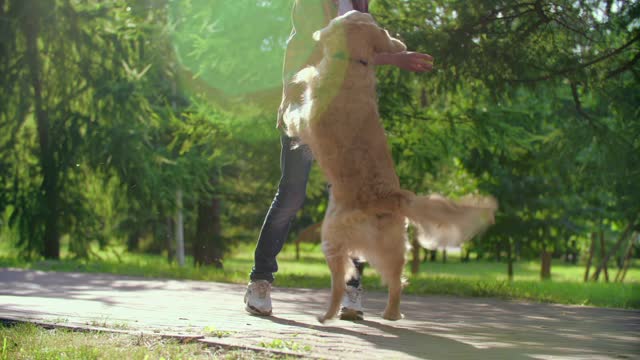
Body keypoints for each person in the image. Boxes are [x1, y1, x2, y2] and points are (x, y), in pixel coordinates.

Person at [244, 0, 434, 320]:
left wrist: (388, 53)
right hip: (306, 110)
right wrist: (392, 57)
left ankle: (351, 288)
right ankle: (260, 280)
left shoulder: (361, 5)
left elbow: (363, 55)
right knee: (292, 194)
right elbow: (327, 49)